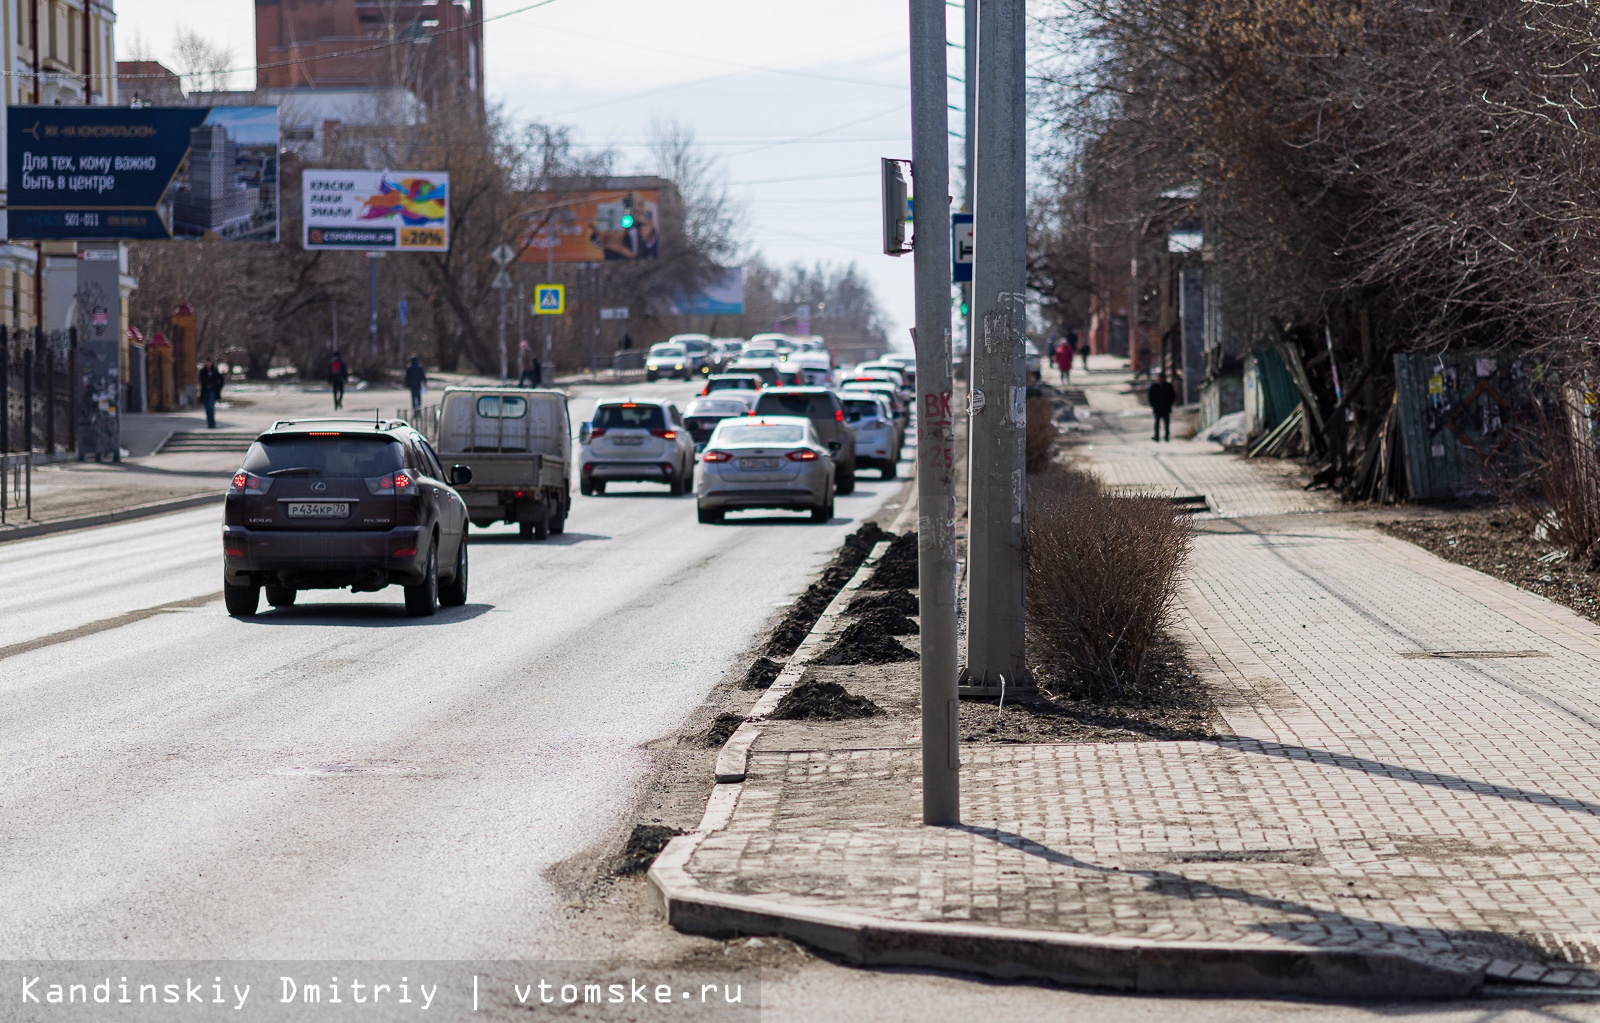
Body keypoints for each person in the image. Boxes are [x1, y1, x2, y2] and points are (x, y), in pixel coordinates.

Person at [1148, 372, 1177, 442]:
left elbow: (1172, 396)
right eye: (1160, 378)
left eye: (1163, 378)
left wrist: (1169, 404)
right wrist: (1153, 405)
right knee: (1157, 422)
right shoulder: (1154, 387)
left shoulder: (1168, 386)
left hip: (1166, 407)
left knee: (1166, 423)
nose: (1161, 380)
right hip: (1157, 407)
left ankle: (1166, 436)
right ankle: (1156, 436)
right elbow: (1150, 397)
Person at [198, 358, 225, 429]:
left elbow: (221, 379)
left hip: (212, 391)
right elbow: (202, 381)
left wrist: (218, 387)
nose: (208, 364)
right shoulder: (203, 371)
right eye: (207, 363)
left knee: (211, 407)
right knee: (207, 408)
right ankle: (209, 424)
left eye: (209, 363)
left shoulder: (214, 371)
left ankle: (212, 424)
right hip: (205, 391)